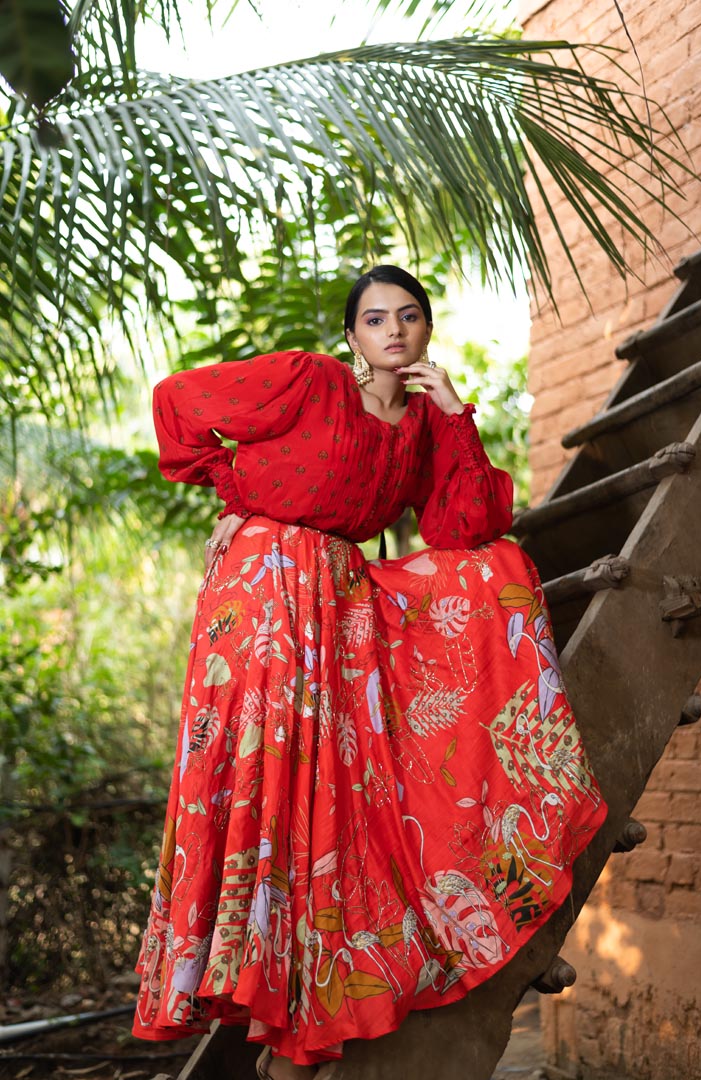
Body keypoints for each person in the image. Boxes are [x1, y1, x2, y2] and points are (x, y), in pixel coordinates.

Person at [132, 266, 606, 1079]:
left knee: (496, 570)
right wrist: (234, 494)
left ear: (426, 330)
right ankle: (240, 972)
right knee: (263, 777)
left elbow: (468, 526)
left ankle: (311, 978)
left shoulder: (421, 424)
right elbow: (179, 402)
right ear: (351, 336)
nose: (394, 331)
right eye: (376, 319)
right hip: (268, 586)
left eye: (410, 317)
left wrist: (457, 417)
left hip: (338, 601)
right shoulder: (311, 382)